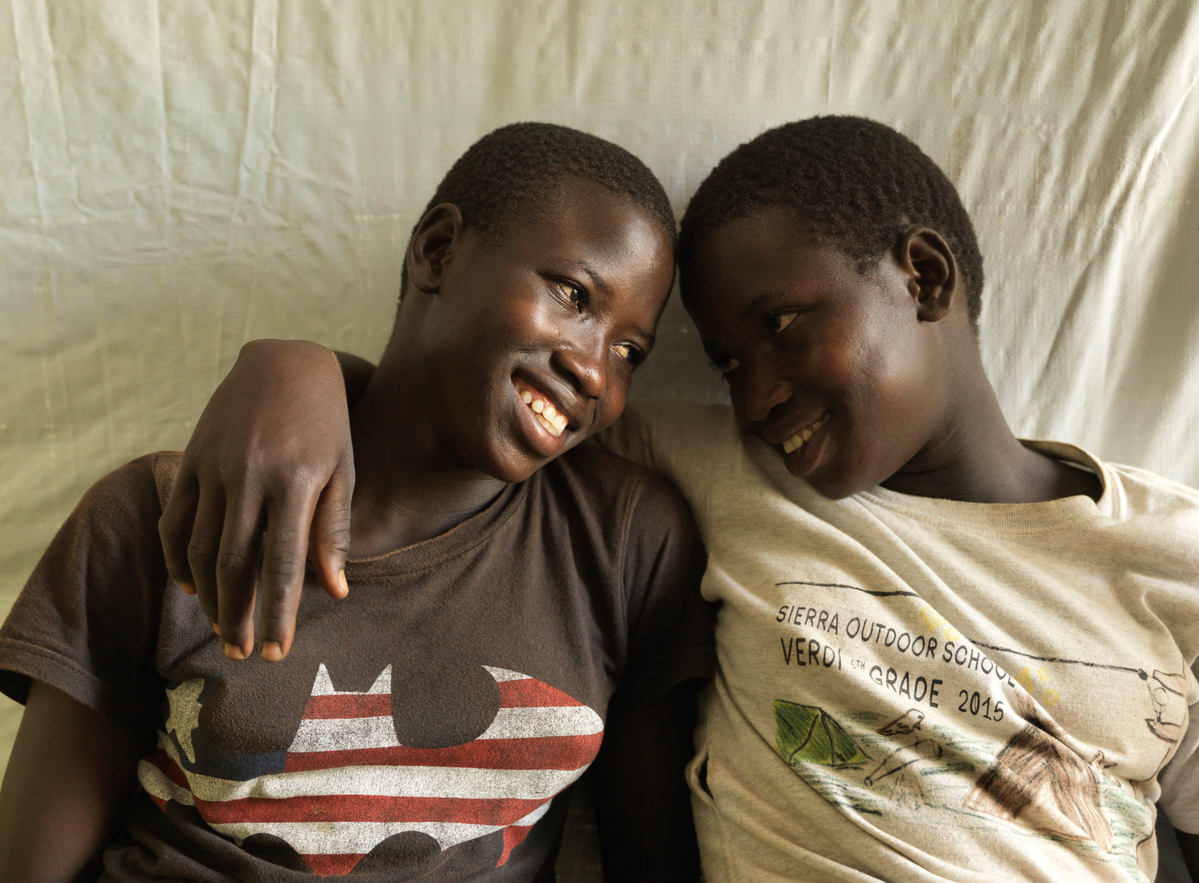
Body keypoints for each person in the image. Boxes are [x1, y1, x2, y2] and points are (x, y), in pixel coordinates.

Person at [146, 115, 1199, 882]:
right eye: (728, 362)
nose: (757, 395)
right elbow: (488, 410)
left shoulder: (1167, 552)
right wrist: (291, 368)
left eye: (780, 326)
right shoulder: (721, 473)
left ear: (921, 276)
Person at [0, 123, 715, 883]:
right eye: (573, 294)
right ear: (438, 251)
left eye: (629, 350)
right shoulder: (165, 513)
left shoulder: (627, 544)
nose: (596, 372)